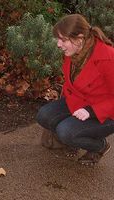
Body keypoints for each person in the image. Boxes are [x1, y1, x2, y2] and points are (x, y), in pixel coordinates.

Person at [36, 14, 114, 166]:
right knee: (44, 116)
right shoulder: (74, 53)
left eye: (63, 40)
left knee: (65, 132)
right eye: (58, 39)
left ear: (79, 38)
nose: (58, 44)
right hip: (80, 103)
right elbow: (72, 84)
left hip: (106, 113)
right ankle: (75, 137)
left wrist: (91, 111)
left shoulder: (108, 58)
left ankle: (99, 146)